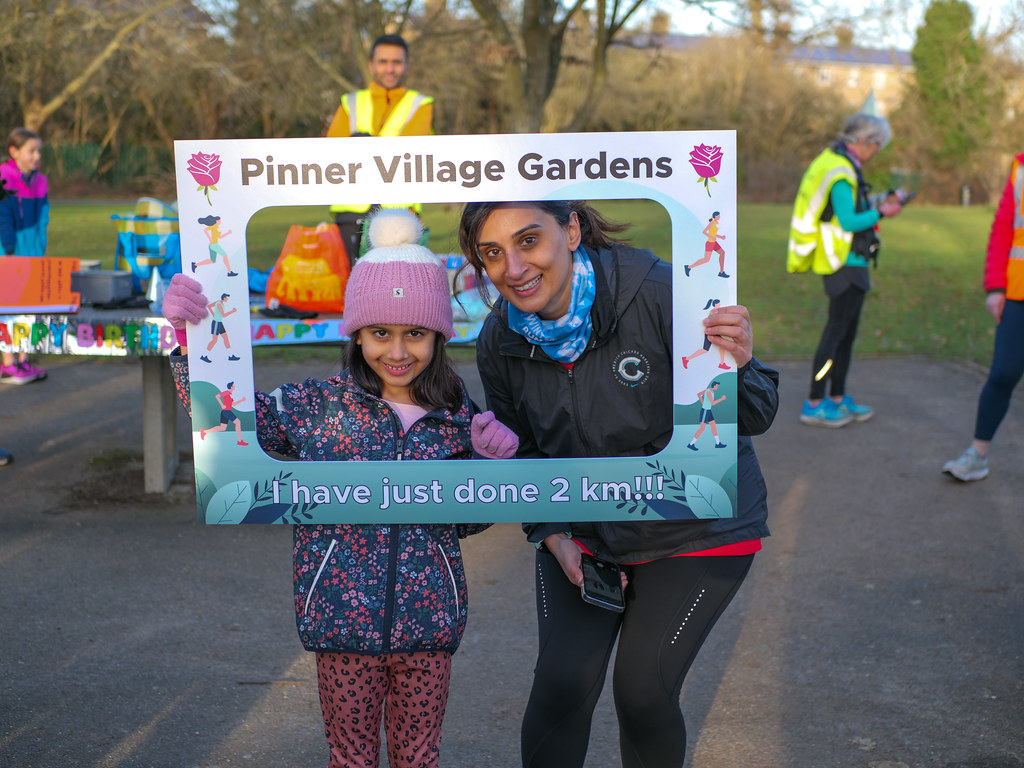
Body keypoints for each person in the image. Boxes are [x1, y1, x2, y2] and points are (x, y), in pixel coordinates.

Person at [161, 209, 517, 768]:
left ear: (438, 337)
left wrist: (486, 466)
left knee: (419, 758)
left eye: (415, 334)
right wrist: (191, 346)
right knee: (350, 759)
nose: (397, 352)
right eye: (380, 333)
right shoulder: (313, 406)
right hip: (341, 623)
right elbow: (233, 425)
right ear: (356, 333)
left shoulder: (455, 414)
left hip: (429, 626)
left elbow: (465, 521)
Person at [456, 200, 779, 768]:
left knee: (644, 690)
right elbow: (525, 449)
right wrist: (551, 529)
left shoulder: (658, 293)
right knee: (560, 683)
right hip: (584, 529)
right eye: (492, 253)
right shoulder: (498, 337)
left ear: (572, 229)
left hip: (697, 527)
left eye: (528, 241)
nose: (512, 268)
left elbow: (755, 415)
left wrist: (742, 366)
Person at [787, 110, 906, 428]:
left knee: (847, 335)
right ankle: (815, 401)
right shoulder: (840, 170)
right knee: (836, 334)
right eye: (877, 145)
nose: (877, 151)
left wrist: (878, 203)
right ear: (864, 141)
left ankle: (836, 396)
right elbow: (849, 220)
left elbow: (850, 208)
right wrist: (881, 211)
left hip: (851, 262)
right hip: (842, 263)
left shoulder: (841, 163)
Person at [942, 152, 1024, 481]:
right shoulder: (1020, 168)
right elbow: (1004, 228)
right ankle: (977, 454)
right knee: (1002, 375)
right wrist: (995, 286)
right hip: (1018, 293)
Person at [327, 34, 434, 262]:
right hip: (351, 207)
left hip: (399, 209)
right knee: (351, 284)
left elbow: (410, 150)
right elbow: (332, 151)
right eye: (383, 61)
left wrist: (361, 144)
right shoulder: (350, 101)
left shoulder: (421, 103)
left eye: (396, 62)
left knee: (397, 285)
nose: (390, 68)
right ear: (371, 65)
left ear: (406, 65)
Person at [0, 127, 49, 385]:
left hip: (31, 253)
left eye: (38, 150)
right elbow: (3, 217)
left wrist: (40, 244)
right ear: (14, 152)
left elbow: (43, 215)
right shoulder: (4, 177)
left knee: (29, 308)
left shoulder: (40, 181)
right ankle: (8, 362)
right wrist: (8, 250)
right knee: (8, 310)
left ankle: (23, 359)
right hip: (8, 253)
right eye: (31, 150)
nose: (36, 155)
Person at [684, 211, 728, 278]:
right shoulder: (712, 223)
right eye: (718, 215)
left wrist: (720, 237)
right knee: (706, 259)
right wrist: (711, 237)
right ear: (715, 216)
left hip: (714, 243)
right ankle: (688, 267)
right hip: (710, 243)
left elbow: (713, 233)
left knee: (722, 253)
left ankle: (721, 272)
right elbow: (704, 232)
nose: (719, 216)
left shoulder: (716, 223)